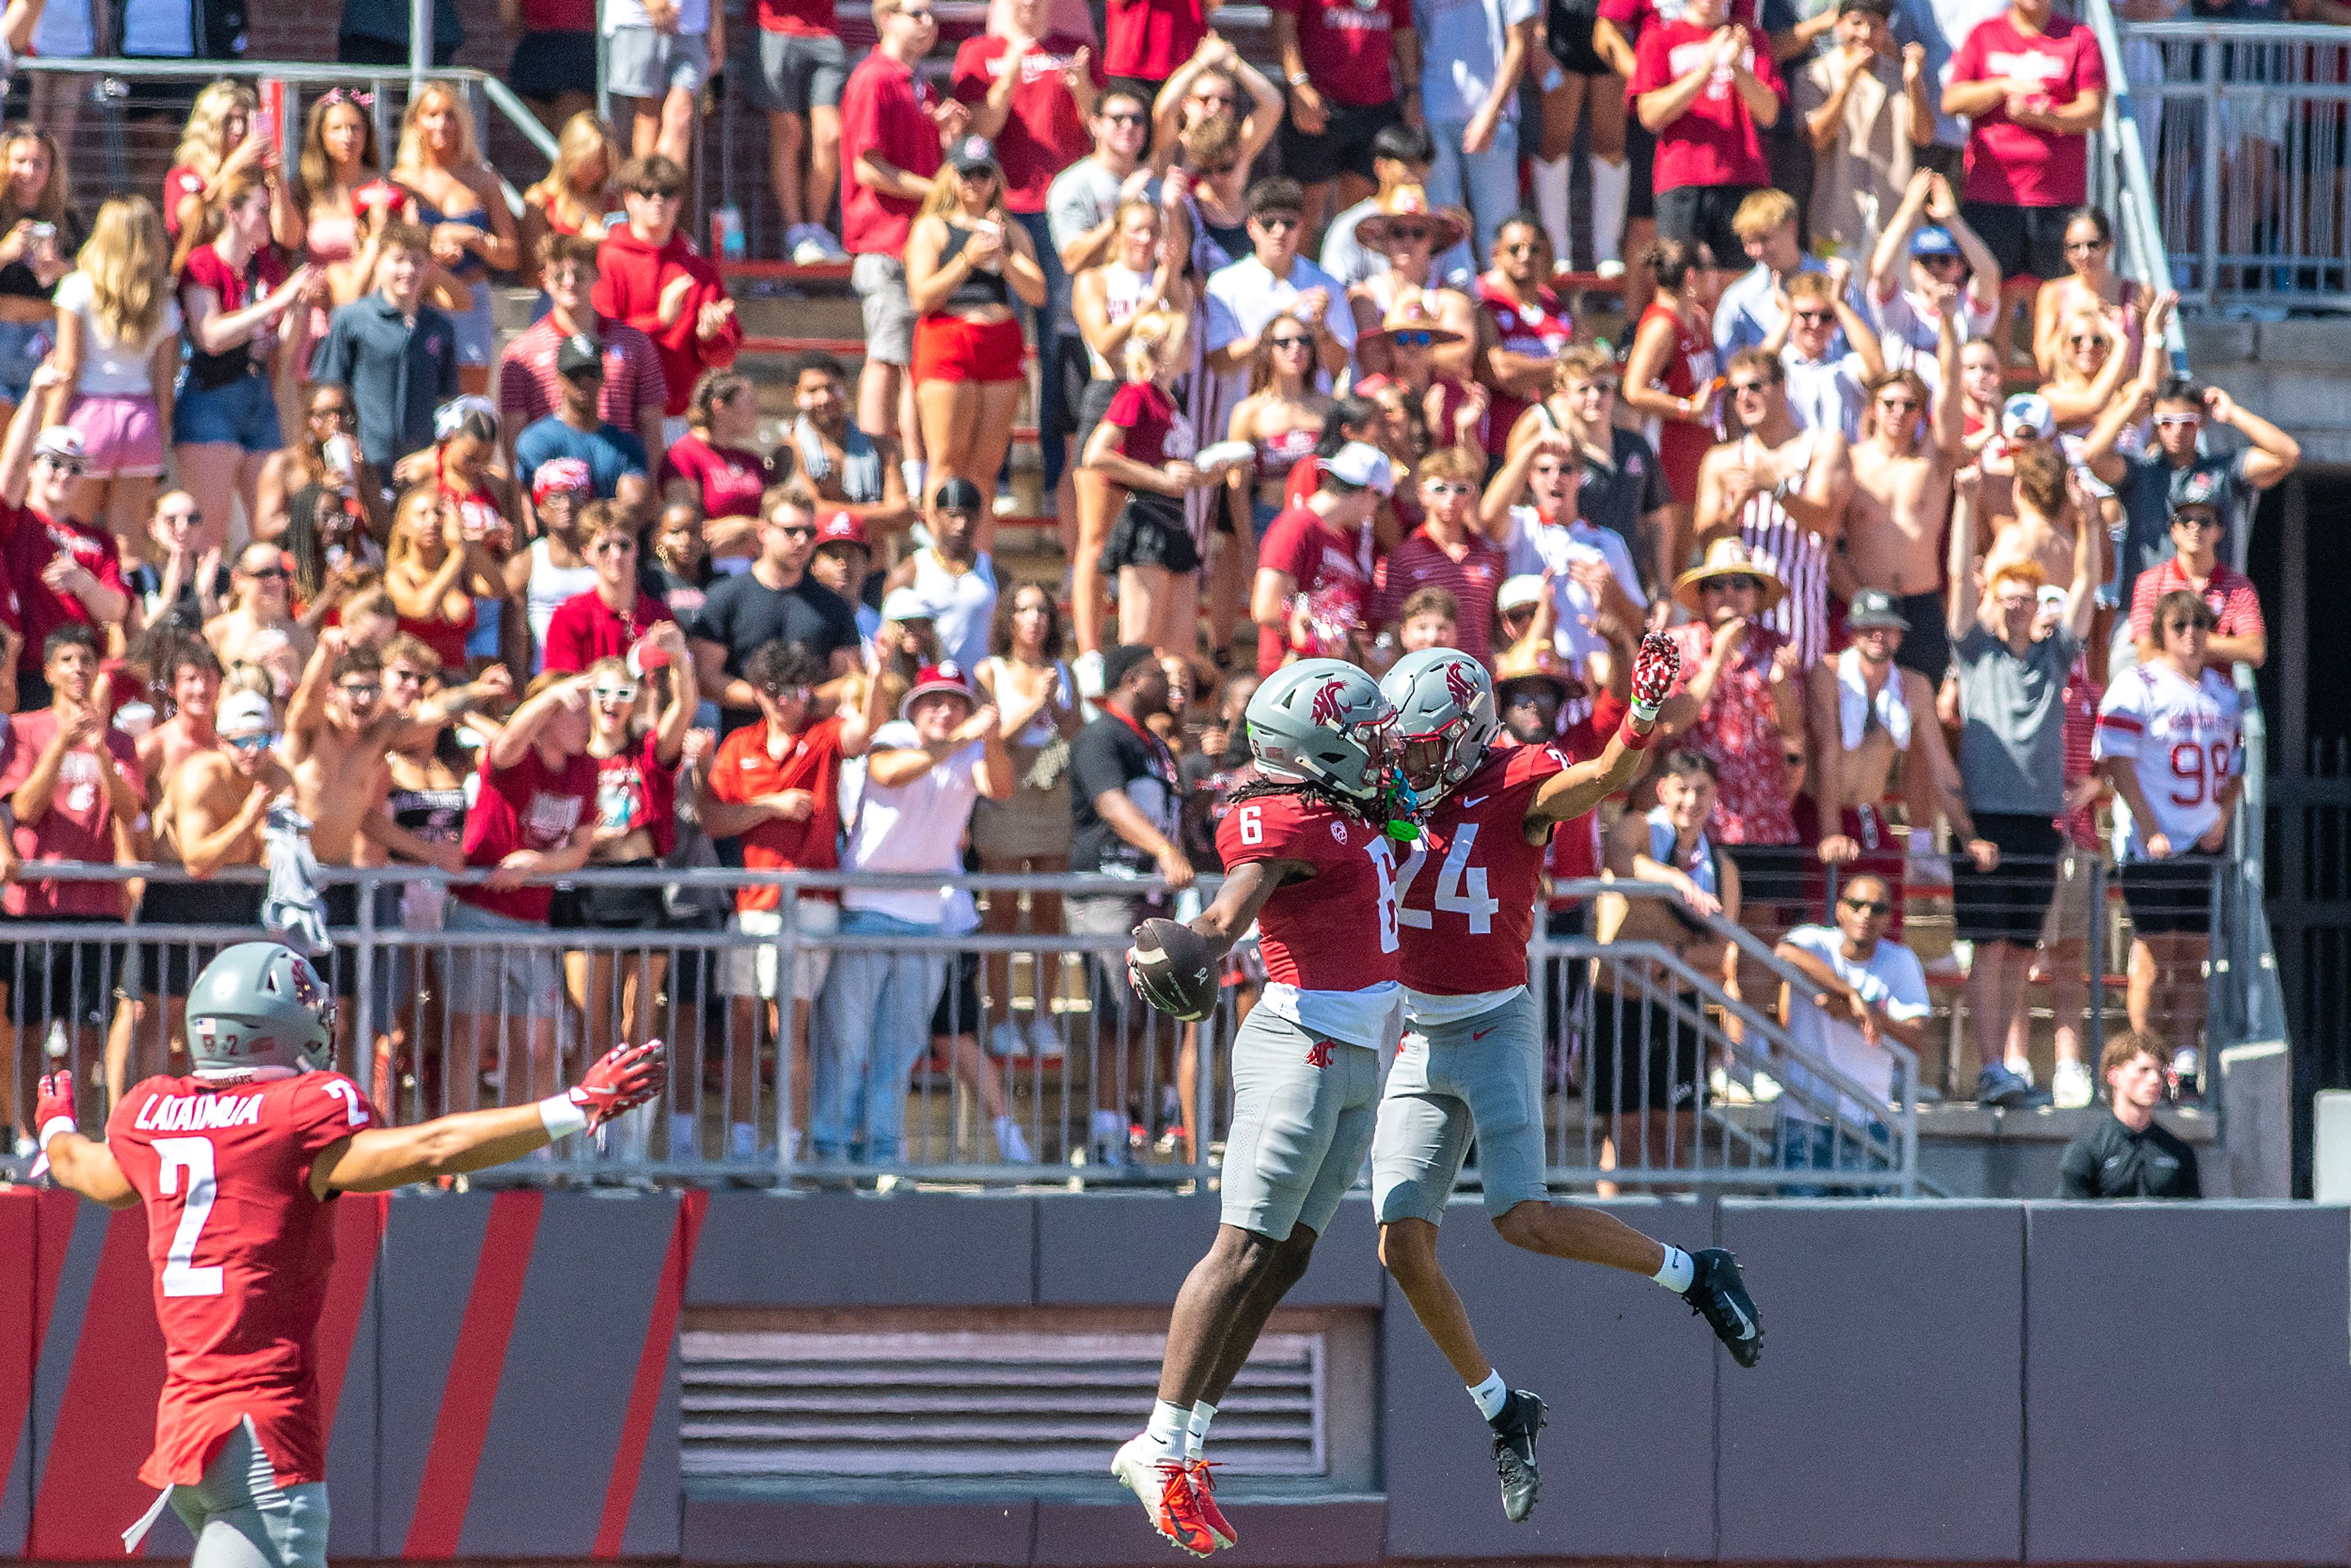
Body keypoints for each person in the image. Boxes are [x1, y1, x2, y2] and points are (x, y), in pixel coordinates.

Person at [36, 947, 664, 1568]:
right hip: (263, 1438)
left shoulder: (155, 1114)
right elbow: (436, 1147)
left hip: (187, 1440)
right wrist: (575, 1104)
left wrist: (56, 1125)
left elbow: (84, 1169)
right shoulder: (298, 1113)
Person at [1373, 642, 1761, 1506]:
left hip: (1493, 1019)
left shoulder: (1516, 779)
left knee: (1524, 1220)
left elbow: (1601, 779)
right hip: (1419, 1031)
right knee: (1400, 1243)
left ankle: (1694, 1272)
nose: (1413, 758)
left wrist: (1642, 712)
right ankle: (1505, 1409)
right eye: (1407, 744)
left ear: (1471, 736)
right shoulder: (1395, 782)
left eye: (1429, 743)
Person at [1108, 659, 1397, 1553]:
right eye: (1363, 732)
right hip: (1301, 1045)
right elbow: (1238, 903)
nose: (1379, 744)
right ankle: (1157, 1446)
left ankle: (1184, 1447)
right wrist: (1198, 941)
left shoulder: (1349, 804)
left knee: (1286, 1261)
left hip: (1357, 1053)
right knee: (1240, 1248)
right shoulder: (1283, 813)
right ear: (1316, 748)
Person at [815, 662, 1013, 1163]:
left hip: (927, 917)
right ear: (914, 708)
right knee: (847, 1044)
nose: (945, 711)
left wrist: (991, 738)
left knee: (898, 1052)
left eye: (955, 702)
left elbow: (1003, 786)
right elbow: (888, 771)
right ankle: (830, 1148)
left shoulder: (968, 753)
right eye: (934, 701)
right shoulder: (891, 738)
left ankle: (884, 1151)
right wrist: (965, 735)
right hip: (865, 908)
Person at [1946, 467, 2096, 1104]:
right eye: (2006, 591)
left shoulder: (2052, 654)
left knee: (2018, 950)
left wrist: (2088, 522)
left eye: (2025, 594)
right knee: (1987, 948)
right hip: (1985, 817)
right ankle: (1988, 1067)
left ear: (2037, 605)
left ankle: (2006, 1066)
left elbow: (2087, 586)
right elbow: (1956, 582)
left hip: (2039, 820)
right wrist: (1966, 501)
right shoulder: (1975, 653)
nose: (2015, 602)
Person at [699, 640, 879, 1162]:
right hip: (753, 900)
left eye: (798, 690)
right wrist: (770, 805)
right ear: (758, 693)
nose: (786, 701)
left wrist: (879, 671)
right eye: (775, 691)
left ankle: (791, 1141)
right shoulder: (738, 744)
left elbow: (864, 733)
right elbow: (713, 819)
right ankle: (741, 1141)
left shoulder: (822, 739)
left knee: (788, 1024)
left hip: (810, 897)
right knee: (741, 1022)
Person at [953, 0, 1099, 512]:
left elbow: (1101, 128)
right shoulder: (978, 52)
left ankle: (1060, 480)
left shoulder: (1075, 52)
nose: (1032, 7)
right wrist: (1012, 71)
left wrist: (1083, 90)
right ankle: (1005, 477)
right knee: (1004, 349)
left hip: (1061, 217)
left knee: (1059, 352)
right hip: (1005, 215)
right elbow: (980, 132)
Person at [2096, 589, 2241, 1087]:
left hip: (2205, 842)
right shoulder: (2138, 685)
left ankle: (2184, 1056)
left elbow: (2239, 767)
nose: (2191, 633)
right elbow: (2118, 759)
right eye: (2180, 623)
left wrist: (2222, 815)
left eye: (2200, 623)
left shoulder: (2223, 692)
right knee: (2156, 955)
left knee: (2195, 956)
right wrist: (2149, 825)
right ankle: (2144, 1054)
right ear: (2161, 629)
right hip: (2155, 844)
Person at [109, 688, 285, 1099]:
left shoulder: (276, 776)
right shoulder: (200, 776)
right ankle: (139, 1113)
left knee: (224, 1017)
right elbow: (197, 861)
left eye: (261, 739)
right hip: (180, 895)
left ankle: (211, 1116)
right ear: (223, 741)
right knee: (160, 1015)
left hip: (236, 898)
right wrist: (248, 819)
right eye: (242, 740)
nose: (252, 751)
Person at [1067, 643, 1194, 1166]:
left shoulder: (1153, 742)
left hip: (1148, 898)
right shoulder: (1101, 734)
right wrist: (1163, 849)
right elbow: (1111, 804)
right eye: (1160, 676)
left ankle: (1123, 1132)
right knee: (1115, 1014)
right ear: (1133, 679)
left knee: (1141, 1017)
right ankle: (1104, 1139)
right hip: (1108, 893)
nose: (1170, 684)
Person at [1589, 745, 1739, 1179]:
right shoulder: (1639, 828)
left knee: (1671, 1141)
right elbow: (1617, 858)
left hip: (1679, 1010)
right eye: (1681, 789)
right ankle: (1609, 1243)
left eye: (1701, 791)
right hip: (1619, 1005)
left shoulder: (1721, 865)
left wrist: (1673, 957)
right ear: (1661, 790)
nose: (1690, 801)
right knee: (1622, 1140)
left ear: (1714, 797)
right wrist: (1674, 879)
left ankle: (1670, 1243)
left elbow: (1723, 952)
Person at [1, 625, 143, 1063]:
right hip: (35, 904)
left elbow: (131, 811)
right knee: (28, 1029)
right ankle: (28, 1132)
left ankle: (76, 1128)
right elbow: (23, 808)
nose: (78, 668)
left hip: (98, 906)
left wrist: (101, 753)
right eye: (67, 660)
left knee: (86, 1033)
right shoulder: (24, 729)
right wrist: (63, 742)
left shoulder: (119, 741)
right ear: (47, 672)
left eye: (86, 659)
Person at [2083, 373, 2298, 661]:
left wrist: (2234, 414)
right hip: (2145, 619)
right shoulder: (2141, 472)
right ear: (2156, 423)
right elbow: (2093, 455)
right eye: (2166, 423)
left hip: (2211, 619)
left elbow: (2288, 455)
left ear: (2202, 421)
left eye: (2188, 422)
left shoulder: (2224, 470)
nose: (2177, 432)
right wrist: (2130, 405)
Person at [564, 634, 697, 1079]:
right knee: (590, 1022)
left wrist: (679, 660)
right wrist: (600, 835)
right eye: (601, 692)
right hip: (589, 884)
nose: (611, 702)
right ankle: (590, 1132)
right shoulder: (573, 757)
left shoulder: (645, 753)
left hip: (640, 882)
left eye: (623, 693)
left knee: (638, 1023)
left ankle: (634, 1136)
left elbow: (684, 711)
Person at [841, 0, 959, 477]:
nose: (929, 23)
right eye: (917, 12)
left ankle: (913, 471)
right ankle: (874, 468)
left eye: (933, 14)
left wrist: (947, 138)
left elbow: (921, 163)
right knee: (886, 358)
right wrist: (938, 192)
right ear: (887, 17)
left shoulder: (919, 83)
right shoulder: (874, 78)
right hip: (884, 239)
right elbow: (867, 165)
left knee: (913, 360)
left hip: (915, 242)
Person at [175, 173, 321, 554]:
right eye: (262, 209)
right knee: (210, 531)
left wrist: (298, 305)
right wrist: (276, 303)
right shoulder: (202, 262)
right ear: (233, 214)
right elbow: (210, 337)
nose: (269, 219)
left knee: (270, 525)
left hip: (260, 399)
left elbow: (283, 351)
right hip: (212, 398)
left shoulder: (267, 268)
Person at [906, 138, 1049, 523]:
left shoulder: (1012, 231)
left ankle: (981, 561)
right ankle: (941, 555)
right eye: (966, 173)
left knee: (986, 469)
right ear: (951, 177)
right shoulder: (931, 228)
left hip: (1000, 340)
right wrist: (968, 258)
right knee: (947, 460)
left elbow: (1037, 293)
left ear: (996, 179)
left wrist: (1002, 254)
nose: (975, 182)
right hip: (949, 337)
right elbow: (922, 297)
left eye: (984, 173)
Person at [1071, 199, 1191, 659]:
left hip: (1156, 402)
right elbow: (1102, 340)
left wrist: (1172, 280)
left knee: (1148, 529)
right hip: (1111, 391)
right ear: (1117, 232)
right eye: (1136, 230)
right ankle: (1088, 650)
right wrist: (1151, 295)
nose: (1145, 240)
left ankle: (1144, 649)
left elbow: (1184, 335)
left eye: (1153, 232)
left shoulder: (1169, 283)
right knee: (1097, 535)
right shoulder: (1095, 279)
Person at [972, 583, 1081, 1055]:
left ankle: (1043, 1015)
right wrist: (1038, 703)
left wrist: (1055, 705)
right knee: (999, 913)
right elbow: (992, 738)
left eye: (1042, 609)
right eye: (1023, 609)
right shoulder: (989, 671)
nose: (1034, 618)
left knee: (1048, 913)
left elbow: (1076, 732)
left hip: (1053, 793)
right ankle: (999, 1017)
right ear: (1008, 619)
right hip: (1007, 790)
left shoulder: (1064, 670)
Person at [1802, 589, 1952, 929]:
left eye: (1888, 627)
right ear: (1852, 631)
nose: (1878, 634)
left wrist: (1969, 835)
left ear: (1901, 635)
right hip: (1820, 812)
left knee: (1884, 917)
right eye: (1868, 626)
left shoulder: (1913, 687)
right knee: (1820, 929)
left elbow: (1942, 766)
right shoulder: (1827, 675)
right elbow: (1828, 754)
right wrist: (1830, 833)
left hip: (1868, 815)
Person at [1695, 347, 1851, 671]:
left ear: (1782, 386)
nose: (1744, 397)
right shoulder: (1721, 460)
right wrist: (1737, 504)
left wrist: (1777, 488)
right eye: (1735, 390)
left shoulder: (1823, 446)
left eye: (1755, 386)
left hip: (1800, 617)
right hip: (1739, 625)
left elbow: (1826, 522)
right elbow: (1705, 541)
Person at [1769, 869, 1927, 1180]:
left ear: (1888, 919)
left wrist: (1870, 1015)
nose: (1865, 914)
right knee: (1797, 1227)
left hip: (1869, 1119)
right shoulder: (1816, 940)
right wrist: (1849, 992)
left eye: (1877, 908)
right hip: (1804, 1116)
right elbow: (1783, 952)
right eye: (1856, 905)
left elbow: (1918, 1039)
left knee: (1865, 1230)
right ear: (1840, 910)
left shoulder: (1901, 960)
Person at [1940, 0, 2105, 291]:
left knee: (2054, 297)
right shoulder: (1984, 34)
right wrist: (2003, 87)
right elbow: (1952, 100)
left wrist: (2046, 117)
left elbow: (2093, 111)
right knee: (1989, 296)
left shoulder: (2079, 36)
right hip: (1990, 192)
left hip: (2056, 196)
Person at [48, 196, 179, 561]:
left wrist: (47, 434)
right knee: (129, 545)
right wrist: (160, 437)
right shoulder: (163, 300)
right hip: (141, 420)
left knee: (73, 534)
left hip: (88, 418)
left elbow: (68, 369)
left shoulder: (77, 288)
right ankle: (127, 616)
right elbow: (165, 384)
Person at [1086, 309, 1223, 655]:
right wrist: (1160, 478)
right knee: (1139, 643)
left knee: (1181, 650)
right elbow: (1095, 455)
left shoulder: (1171, 401)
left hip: (1175, 520)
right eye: (1185, 338)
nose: (1193, 344)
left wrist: (1204, 476)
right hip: (1148, 518)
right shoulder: (1138, 394)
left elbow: (1168, 465)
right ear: (1164, 347)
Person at [1847, 301, 1964, 685]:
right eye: (1890, 403)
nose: (1899, 412)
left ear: (1921, 413)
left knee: (1926, 709)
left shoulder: (1935, 458)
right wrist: (1853, 596)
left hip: (1922, 602)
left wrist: (1948, 323)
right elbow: (1827, 543)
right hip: (1866, 603)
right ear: (1873, 409)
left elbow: (1950, 385)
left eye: (1910, 405)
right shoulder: (1851, 463)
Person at [688, 484, 866, 732]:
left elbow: (852, 680)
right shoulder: (725, 597)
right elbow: (705, 677)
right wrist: (766, 698)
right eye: (791, 531)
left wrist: (804, 701)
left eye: (809, 532)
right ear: (764, 532)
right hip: (744, 746)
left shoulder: (834, 606)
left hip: (811, 747)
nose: (802, 540)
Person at [593, 155, 742, 443]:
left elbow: (725, 356)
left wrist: (709, 337)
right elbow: (601, 341)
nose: (658, 200)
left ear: (679, 201)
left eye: (668, 192)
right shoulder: (607, 260)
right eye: (647, 193)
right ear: (629, 199)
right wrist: (660, 321)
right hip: (621, 414)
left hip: (680, 417)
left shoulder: (699, 270)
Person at [1478, 430, 1650, 680]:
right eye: (1544, 470)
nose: (1555, 478)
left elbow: (1637, 626)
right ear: (1530, 478)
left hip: (1593, 677)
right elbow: (1489, 517)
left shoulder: (1610, 542)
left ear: (1580, 477)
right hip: (1534, 675)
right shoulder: (1523, 525)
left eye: (1566, 470)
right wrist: (1531, 448)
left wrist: (1612, 589)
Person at [1630, 0, 1785, 268]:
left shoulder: (1751, 39)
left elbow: (1769, 112)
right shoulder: (1660, 37)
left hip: (1742, 177)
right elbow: (1650, 114)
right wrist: (1705, 70)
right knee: (1679, 278)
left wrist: (1736, 66)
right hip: (1681, 179)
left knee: (1738, 277)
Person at [391, 84, 517, 396]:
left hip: (472, 299)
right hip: (421, 297)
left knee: (469, 406)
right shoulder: (400, 181)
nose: (442, 124)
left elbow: (512, 256)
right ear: (415, 123)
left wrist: (472, 237)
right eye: (432, 115)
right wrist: (426, 243)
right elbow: (387, 248)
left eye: (451, 116)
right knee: (419, 398)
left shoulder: (484, 180)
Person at [498, 233, 669, 463]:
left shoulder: (635, 345)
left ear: (595, 276)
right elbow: (513, 435)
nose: (569, 282)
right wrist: (518, 496)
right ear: (544, 280)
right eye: (559, 276)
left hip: (621, 473)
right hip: (553, 480)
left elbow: (651, 425)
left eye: (578, 274)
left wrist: (652, 492)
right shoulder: (521, 352)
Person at [1, 419, 131, 708]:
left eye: (75, 468)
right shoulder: (13, 521)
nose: (64, 475)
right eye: (55, 463)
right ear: (32, 467)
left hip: (80, 674)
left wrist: (85, 583)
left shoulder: (99, 540)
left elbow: (117, 609)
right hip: (23, 670)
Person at [309, 221, 457, 475]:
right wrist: (342, 448)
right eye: (398, 260)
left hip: (420, 463)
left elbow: (447, 399)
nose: (408, 270)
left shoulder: (440, 327)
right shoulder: (351, 319)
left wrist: (436, 453)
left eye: (417, 262)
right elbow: (330, 387)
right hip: (366, 459)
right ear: (379, 262)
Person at [1621, 237, 1725, 576]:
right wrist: (1686, 408)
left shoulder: (1697, 316)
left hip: (1698, 451)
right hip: (1668, 453)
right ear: (1692, 276)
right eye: (1711, 267)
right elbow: (1633, 390)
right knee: (1666, 566)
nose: (1719, 275)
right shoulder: (1662, 326)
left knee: (1686, 558)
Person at [1272, 0, 1419, 237]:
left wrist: (1412, 91)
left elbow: (1402, 29)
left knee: (1359, 212)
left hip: (1377, 105)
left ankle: (1343, 272)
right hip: (1319, 103)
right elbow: (1282, 21)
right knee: (1305, 208)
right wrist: (1298, 84)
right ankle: (1299, 273)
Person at [1796, 0, 1932, 256]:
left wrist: (1914, 82)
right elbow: (1817, 138)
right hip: (1837, 221)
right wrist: (1846, 85)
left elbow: (1923, 136)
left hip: (1896, 222)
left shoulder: (1900, 74)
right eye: (1857, 23)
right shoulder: (1815, 74)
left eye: (1875, 25)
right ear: (1839, 24)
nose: (1865, 34)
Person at [1252, 441, 1395, 675]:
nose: (1374, 514)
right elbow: (1265, 609)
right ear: (1371, 492)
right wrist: (1329, 635)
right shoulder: (1297, 526)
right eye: (1380, 504)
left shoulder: (1341, 536)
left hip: (1324, 679)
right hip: (1291, 677)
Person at [1410, 0, 1537, 261]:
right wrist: (1414, 98)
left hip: (1494, 117)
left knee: (1500, 229)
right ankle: (1452, 295)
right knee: (1442, 224)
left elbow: (1520, 43)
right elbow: (1413, 38)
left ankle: (1502, 301)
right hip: (1434, 111)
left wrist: (1491, 113)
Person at [1371, 446, 1509, 668]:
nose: (1451, 498)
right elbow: (1393, 629)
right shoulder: (1403, 557)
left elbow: (1499, 628)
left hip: (1478, 680)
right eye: (1440, 488)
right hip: (1424, 680)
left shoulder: (1490, 556)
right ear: (1422, 494)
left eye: (1462, 489)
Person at [2126, 471, 2266, 673]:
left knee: (2246, 690)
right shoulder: (2149, 582)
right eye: (2185, 520)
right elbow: (2146, 653)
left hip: (2218, 695)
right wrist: (2216, 646)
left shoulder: (2239, 586)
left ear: (2219, 531)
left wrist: (2187, 641)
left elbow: (2254, 649)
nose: (2194, 527)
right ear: (2173, 530)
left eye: (2205, 521)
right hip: (2166, 689)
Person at [1319, 122, 1480, 293]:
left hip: (1432, 316)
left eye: (1422, 165)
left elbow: (1464, 283)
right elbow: (1336, 287)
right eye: (1408, 166)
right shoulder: (1349, 224)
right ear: (1381, 167)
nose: (1416, 175)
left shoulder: (1442, 224)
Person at [1864, 171, 2001, 371]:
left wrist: (1952, 220)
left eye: (1944, 260)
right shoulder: (1900, 308)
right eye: (1925, 260)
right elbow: (1880, 271)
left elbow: (1990, 275)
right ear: (1912, 267)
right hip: (1908, 400)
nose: (1934, 267)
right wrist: (1908, 210)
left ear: (1960, 267)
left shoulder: (1966, 308)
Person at [754, 0, 854, 264]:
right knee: (788, 134)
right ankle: (796, 234)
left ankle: (817, 230)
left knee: (831, 134)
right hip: (774, 28)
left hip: (825, 30)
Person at [1224, 308, 1332, 542]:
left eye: (1304, 341)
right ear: (1267, 350)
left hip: (1321, 520)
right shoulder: (1249, 412)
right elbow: (1238, 486)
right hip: (1270, 519)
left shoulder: (1329, 407)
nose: (1296, 348)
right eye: (1284, 343)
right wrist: (1247, 546)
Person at [513, 332, 654, 508]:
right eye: (575, 374)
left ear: (603, 377)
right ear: (559, 379)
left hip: (610, 534)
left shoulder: (626, 446)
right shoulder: (536, 440)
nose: (584, 381)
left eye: (591, 373)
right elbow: (540, 506)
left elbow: (633, 507)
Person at [2054, 1030, 2202, 1198]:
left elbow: (2194, 1220)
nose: (2155, 1080)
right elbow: (2067, 1219)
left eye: (2160, 1073)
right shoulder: (2087, 1150)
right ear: (2114, 1076)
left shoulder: (2179, 1152)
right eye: (2144, 1070)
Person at [788, 348, 917, 541]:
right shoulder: (791, 451)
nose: (825, 398)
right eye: (813, 391)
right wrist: (880, 512)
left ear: (845, 389)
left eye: (831, 388)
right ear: (796, 396)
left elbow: (903, 515)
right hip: (815, 567)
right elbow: (809, 512)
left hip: (874, 568)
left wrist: (831, 510)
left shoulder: (883, 449)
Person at [543, 501, 678, 673]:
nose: (616, 555)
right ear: (587, 554)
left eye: (624, 545)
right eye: (604, 547)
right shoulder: (569, 617)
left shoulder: (661, 616)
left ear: (636, 549)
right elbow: (563, 688)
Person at [883, 478, 998, 670]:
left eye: (969, 516)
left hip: (977, 693)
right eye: (953, 516)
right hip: (927, 691)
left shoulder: (994, 574)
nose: (962, 524)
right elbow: (888, 638)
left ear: (979, 518)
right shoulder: (909, 573)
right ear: (935, 515)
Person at [1764, 264, 1883, 441]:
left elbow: (1878, 368)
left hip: (1841, 465)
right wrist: (1786, 316)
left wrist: (1840, 304)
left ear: (1836, 321)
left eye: (1826, 317)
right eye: (1806, 315)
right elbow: (1756, 371)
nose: (1816, 324)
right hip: (1791, 465)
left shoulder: (1845, 365)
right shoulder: (1779, 363)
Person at [2031, 204, 2151, 378]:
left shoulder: (2139, 293)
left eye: (2093, 245)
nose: (2084, 254)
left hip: (2124, 396)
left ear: (2110, 244)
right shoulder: (2053, 293)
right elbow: (2044, 365)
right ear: (2066, 252)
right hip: (2073, 398)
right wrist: (2077, 318)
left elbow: (2158, 365)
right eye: (2075, 247)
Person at [663, 369, 779, 542]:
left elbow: (775, 522)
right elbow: (686, 525)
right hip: (710, 563)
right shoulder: (684, 454)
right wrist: (756, 528)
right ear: (720, 407)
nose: (756, 411)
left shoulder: (751, 460)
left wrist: (742, 526)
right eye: (749, 403)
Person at [1711, 188, 1826, 363]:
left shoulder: (1833, 279)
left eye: (1764, 239)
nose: (1757, 251)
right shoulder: (1738, 299)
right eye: (1749, 243)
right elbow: (1728, 368)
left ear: (1791, 228)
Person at [604, 0, 721, 170]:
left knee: (681, 115)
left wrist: (716, 20)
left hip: (692, 25)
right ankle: (648, 191)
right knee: (648, 118)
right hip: (639, 20)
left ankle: (664, 191)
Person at [204, 540, 315, 695]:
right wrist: (249, 666)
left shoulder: (301, 636)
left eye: (282, 574)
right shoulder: (217, 632)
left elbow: (316, 703)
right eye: (265, 573)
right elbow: (205, 694)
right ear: (239, 579)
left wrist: (296, 678)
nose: (276, 580)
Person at [517, 111, 618, 259]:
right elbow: (532, 272)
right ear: (571, 155)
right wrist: (584, 243)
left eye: (602, 162)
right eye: (588, 162)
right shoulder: (540, 201)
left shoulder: (615, 201)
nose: (596, 170)